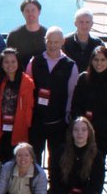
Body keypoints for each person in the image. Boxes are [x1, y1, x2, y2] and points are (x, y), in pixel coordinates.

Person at [26, 27, 78, 182]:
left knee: (56, 159)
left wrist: (68, 117)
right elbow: (28, 90)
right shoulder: (34, 61)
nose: (52, 45)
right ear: (45, 41)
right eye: (49, 41)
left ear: (62, 42)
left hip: (58, 122)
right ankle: (31, 187)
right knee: (32, 157)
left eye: (56, 42)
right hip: (37, 121)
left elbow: (71, 93)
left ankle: (54, 190)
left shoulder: (70, 65)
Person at [68, 46, 107, 177]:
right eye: (96, 60)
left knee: (97, 162)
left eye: (103, 60)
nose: (99, 63)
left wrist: (95, 127)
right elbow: (76, 104)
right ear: (91, 61)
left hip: (102, 131)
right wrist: (83, 126)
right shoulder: (83, 78)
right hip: (81, 130)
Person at [49, 118, 105, 194]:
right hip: (63, 193)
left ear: (89, 133)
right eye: (76, 130)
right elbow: (53, 179)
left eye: (84, 130)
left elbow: (96, 185)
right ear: (71, 133)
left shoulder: (96, 155)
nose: (80, 133)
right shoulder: (60, 151)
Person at [0, 48, 35, 163]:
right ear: (1, 64)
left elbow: (29, 106)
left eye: (13, 61)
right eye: (6, 62)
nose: (10, 65)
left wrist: (27, 123)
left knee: (15, 163)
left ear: (18, 62)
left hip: (18, 128)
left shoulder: (27, 82)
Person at [7, 0, 48, 71]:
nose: (30, 13)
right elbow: (8, 58)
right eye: (27, 11)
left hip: (44, 75)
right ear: (23, 13)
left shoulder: (48, 35)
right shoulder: (14, 35)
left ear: (39, 12)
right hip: (21, 76)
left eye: (33, 10)